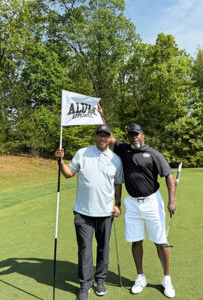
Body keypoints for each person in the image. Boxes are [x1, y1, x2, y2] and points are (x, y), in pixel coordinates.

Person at [98, 107, 176, 298]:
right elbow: (108, 136)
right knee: (136, 241)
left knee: (161, 241)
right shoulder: (124, 149)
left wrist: (172, 200)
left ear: (142, 135)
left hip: (152, 202)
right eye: (131, 134)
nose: (133, 137)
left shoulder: (154, 154)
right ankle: (140, 277)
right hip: (132, 203)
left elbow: (169, 176)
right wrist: (101, 117)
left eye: (136, 134)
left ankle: (166, 278)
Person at [55, 124, 123, 300]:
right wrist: (61, 162)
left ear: (109, 138)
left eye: (105, 135)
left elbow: (117, 184)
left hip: (106, 213)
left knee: (103, 248)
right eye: (99, 134)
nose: (102, 138)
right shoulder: (83, 153)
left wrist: (117, 204)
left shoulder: (115, 159)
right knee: (85, 249)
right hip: (83, 213)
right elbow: (69, 174)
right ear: (95, 137)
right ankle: (84, 286)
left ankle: (100, 280)